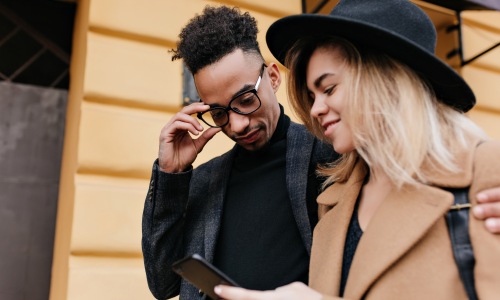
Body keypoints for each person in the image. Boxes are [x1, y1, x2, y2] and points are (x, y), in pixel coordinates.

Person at [214, 0, 500, 299]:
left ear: (388, 79)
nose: (316, 109)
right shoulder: (333, 202)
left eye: (329, 89)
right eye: (312, 95)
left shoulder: (483, 174)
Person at [141, 6, 336, 300]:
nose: (238, 124)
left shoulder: (326, 154)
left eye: (246, 100)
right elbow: (162, 283)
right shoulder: (203, 180)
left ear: (272, 77)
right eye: (219, 113)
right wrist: (171, 176)